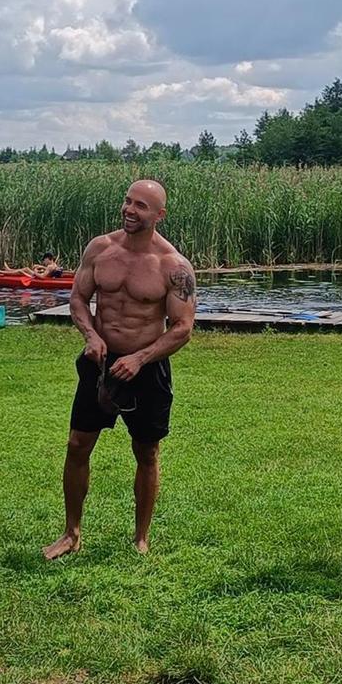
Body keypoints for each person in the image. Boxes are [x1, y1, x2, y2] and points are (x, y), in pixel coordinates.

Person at [44, 180, 196, 560]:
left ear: (159, 215)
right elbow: (78, 299)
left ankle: (141, 537)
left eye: (141, 205)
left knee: (147, 451)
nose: (129, 210)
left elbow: (182, 328)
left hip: (146, 368)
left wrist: (140, 358)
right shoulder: (100, 248)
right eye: (128, 201)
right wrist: (91, 335)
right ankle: (71, 533)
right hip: (99, 364)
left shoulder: (174, 266)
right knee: (77, 445)